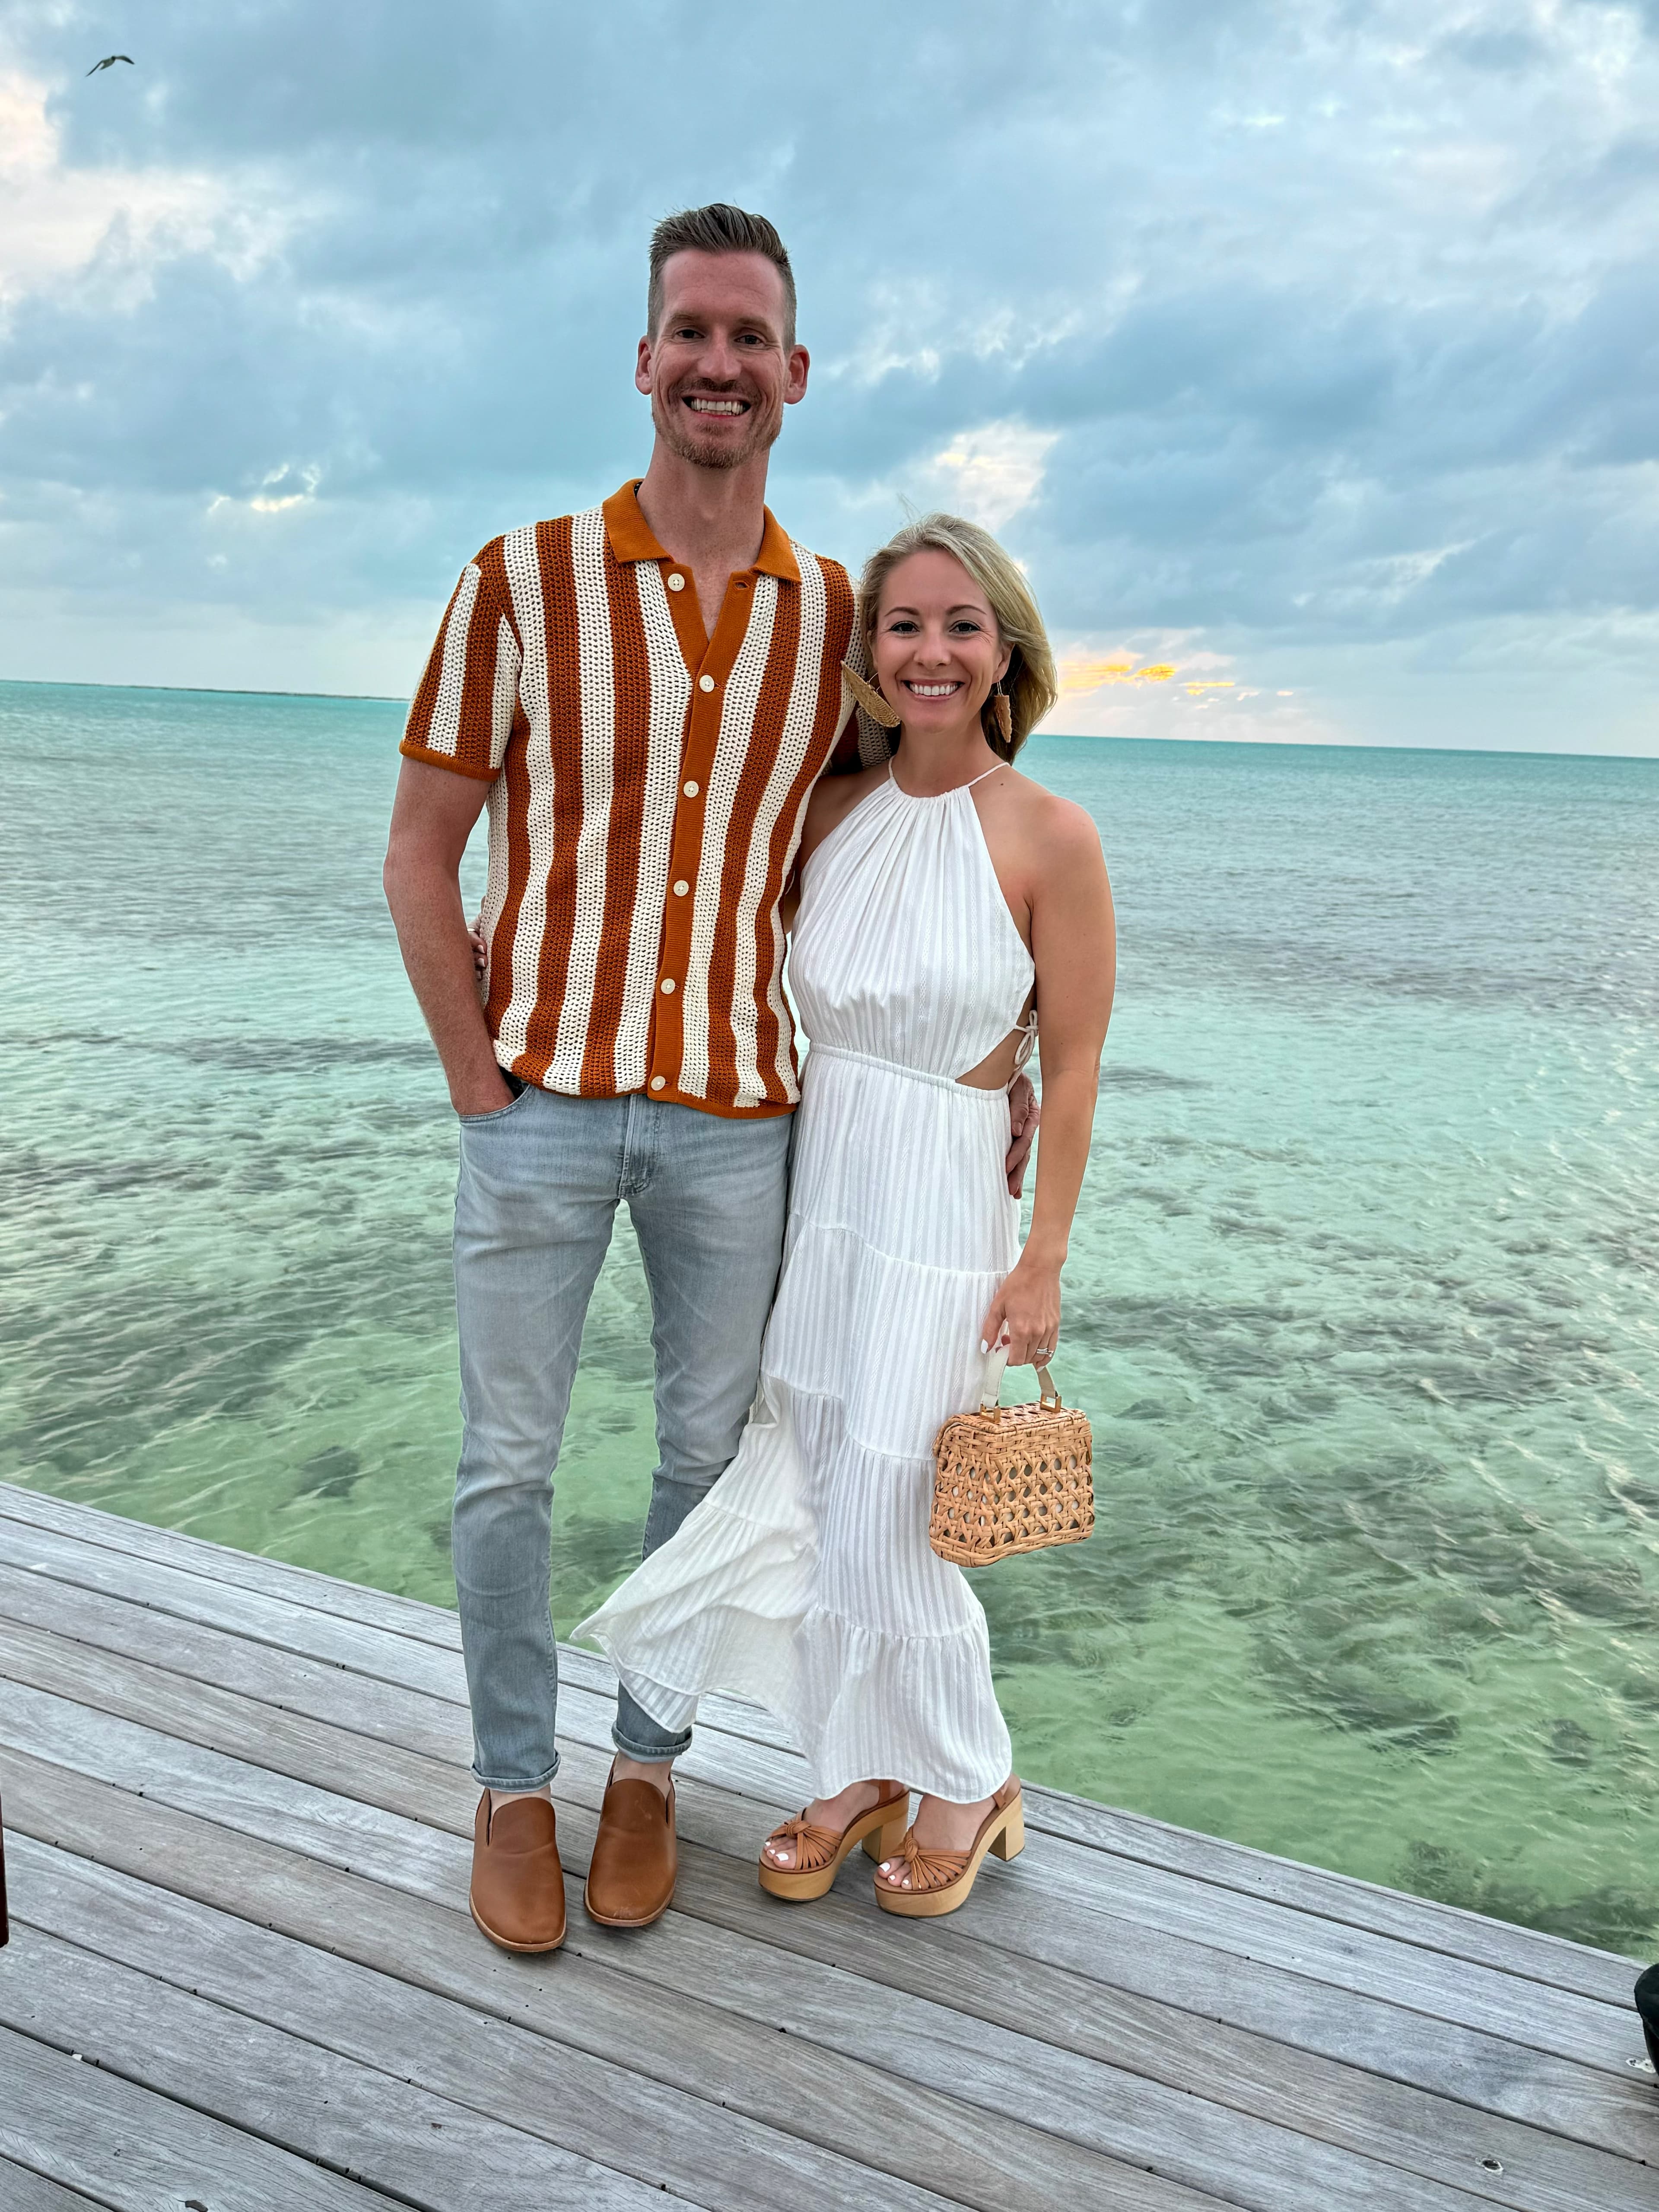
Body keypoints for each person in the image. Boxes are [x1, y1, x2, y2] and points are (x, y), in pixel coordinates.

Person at [383, 205, 1036, 1955]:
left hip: (744, 1122)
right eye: (692, 330)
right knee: (506, 1468)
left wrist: (1007, 1052)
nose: (719, 363)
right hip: (536, 1105)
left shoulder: (833, 619)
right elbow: (420, 851)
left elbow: (923, 822)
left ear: (795, 373)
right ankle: (511, 1788)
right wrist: (477, 1083)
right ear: (645, 358)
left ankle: (648, 1770)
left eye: (750, 337)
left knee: (708, 1461)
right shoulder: (519, 581)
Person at [578, 513, 1115, 1918]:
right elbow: (690, 913)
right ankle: (858, 1765)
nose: (932, 651)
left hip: (944, 1199)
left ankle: (969, 1777)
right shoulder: (831, 815)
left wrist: (1045, 1256)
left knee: (897, 1494)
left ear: (1005, 649)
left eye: (961, 625)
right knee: (814, 1462)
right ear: (869, 653)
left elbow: (1073, 1067)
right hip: (824, 1183)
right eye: (905, 625)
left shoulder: (1052, 835)